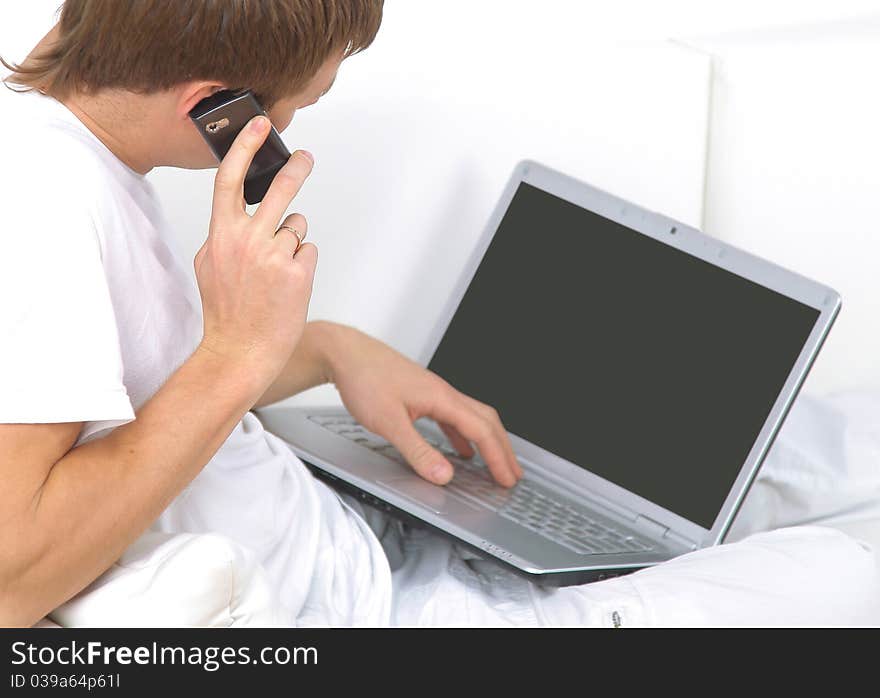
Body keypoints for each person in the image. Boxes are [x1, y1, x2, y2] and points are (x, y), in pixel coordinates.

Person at [0, 0, 877, 628]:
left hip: (354, 530)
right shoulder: (45, 215)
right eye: (299, 106)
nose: (298, 125)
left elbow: (141, 370)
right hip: (386, 613)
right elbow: (15, 580)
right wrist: (235, 357)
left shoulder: (64, 136)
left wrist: (341, 351)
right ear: (212, 109)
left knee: (796, 446)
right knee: (846, 575)